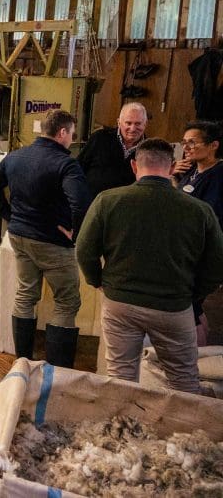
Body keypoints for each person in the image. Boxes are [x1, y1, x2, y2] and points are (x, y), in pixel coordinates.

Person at [76, 139, 223, 393]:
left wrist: (97, 280)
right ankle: (181, 431)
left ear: (134, 166)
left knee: (120, 376)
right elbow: (216, 265)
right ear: (172, 167)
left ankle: (120, 430)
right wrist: (192, 294)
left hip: (120, 302)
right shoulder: (200, 211)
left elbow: (85, 250)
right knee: (183, 381)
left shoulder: (108, 201)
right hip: (174, 306)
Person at [0, 109, 91, 368]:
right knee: (66, 300)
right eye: (72, 134)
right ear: (62, 132)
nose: (72, 139)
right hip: (52, 241)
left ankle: (23, 361)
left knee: (25, 294)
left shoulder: (16, 156)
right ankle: (57, 370)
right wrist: (75, 230)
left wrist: (11, 216)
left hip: (20, 236)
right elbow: (81, 203)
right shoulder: (66, 163)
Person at [172, 120, 223, 345]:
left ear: (213, 145)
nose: (187, 148)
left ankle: (197, 351)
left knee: (192, 303)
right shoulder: (190, 171)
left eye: (193, 142)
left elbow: (207, 212)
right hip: (183, 247)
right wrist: (174, 177)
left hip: (202, 249)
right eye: (184, 143)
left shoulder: (219, 175)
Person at [77, 102, 148, 196]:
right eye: (128, 123)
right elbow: (78, 168)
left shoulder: (150, 149)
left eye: (138, 123)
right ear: (119, 122)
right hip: (91, 205)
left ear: (145, 124)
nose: (133, 128)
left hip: (126, 206)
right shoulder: (100, 138)